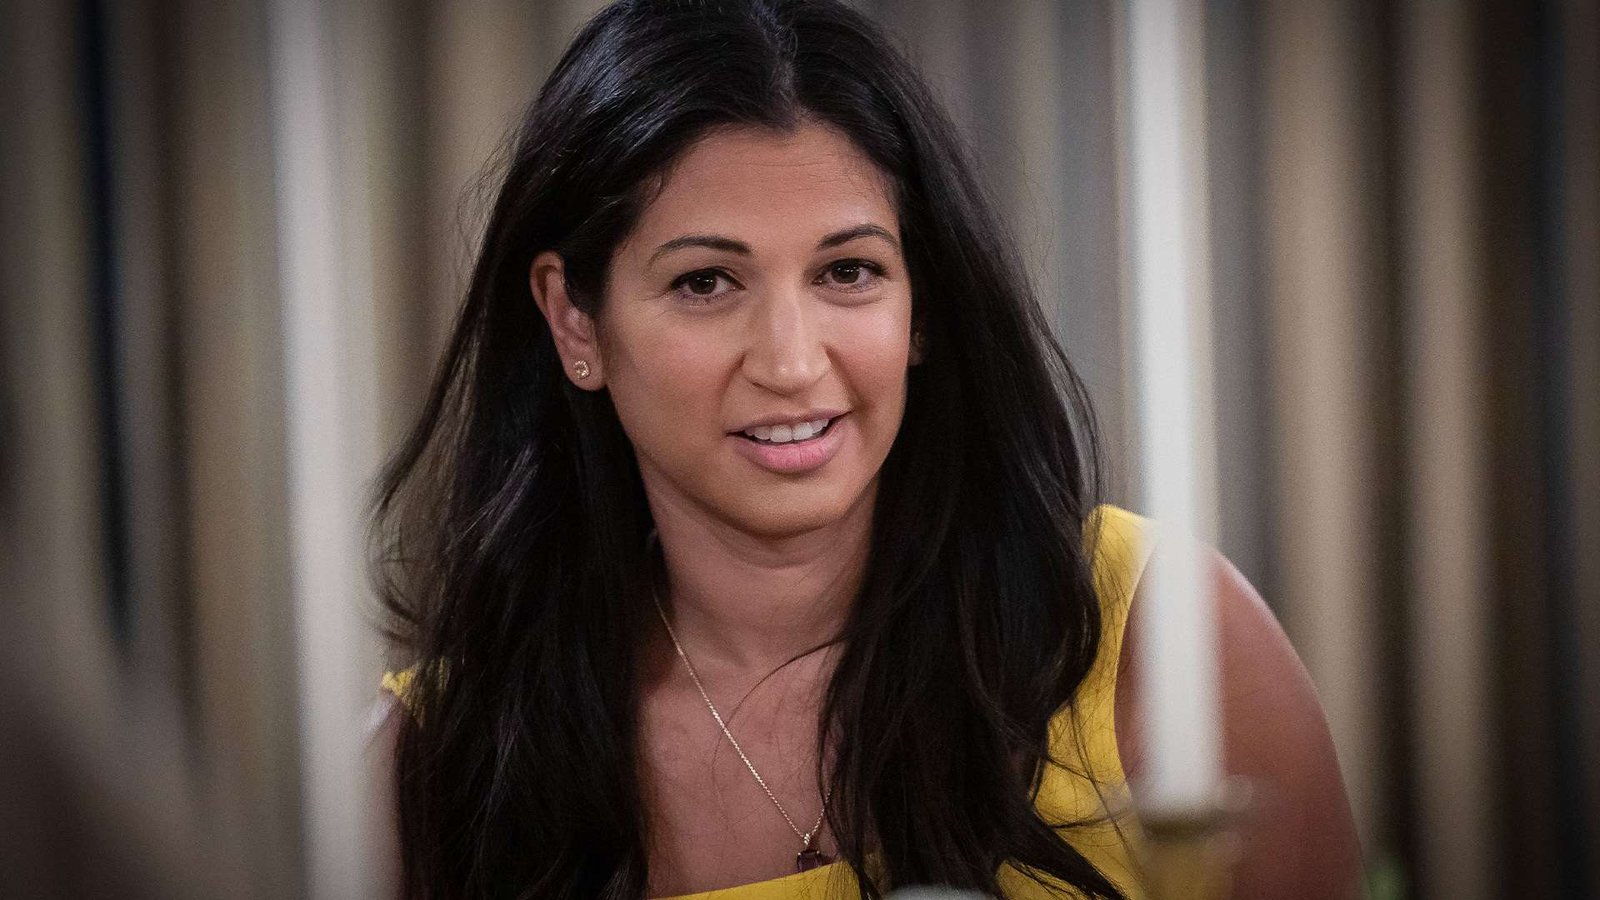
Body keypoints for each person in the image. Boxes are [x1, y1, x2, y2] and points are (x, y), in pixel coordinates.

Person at [370, 1, 1363, 897]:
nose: (792, 363)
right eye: (706, 283)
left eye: (847, 271)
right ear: (574, 321)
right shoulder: (436, 763)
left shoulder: (1158, 638)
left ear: (921, 303)